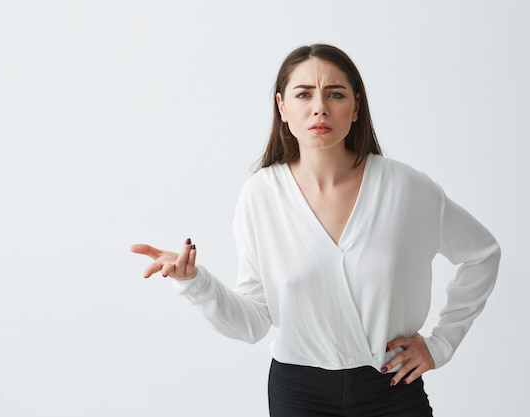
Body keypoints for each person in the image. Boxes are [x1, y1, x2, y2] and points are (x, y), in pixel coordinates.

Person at [131, 44, 500, 417]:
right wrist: (194, 281)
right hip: (299, 394)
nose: (319, 107)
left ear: (356, 107)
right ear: (282, 107)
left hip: (391, 388)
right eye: (304, 94)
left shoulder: (406, 189)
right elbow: (253, 323)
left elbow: (482, 254)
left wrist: (440, 345)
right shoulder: (261, 196)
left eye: (335, 94)